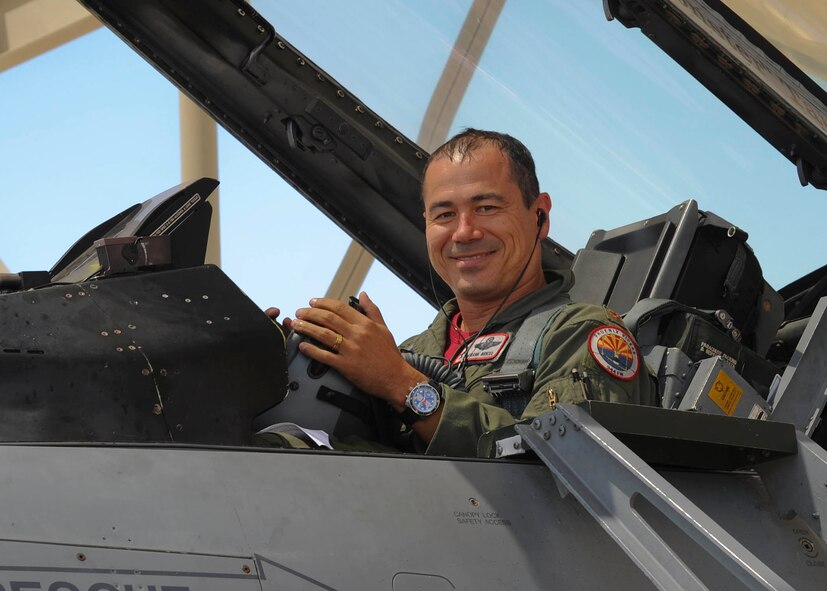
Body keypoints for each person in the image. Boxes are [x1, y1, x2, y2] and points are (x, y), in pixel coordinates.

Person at [267, 129, 657, 456]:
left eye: (486, 208)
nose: (464, 232)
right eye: (444, 215)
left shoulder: (583, 335)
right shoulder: (415, 349)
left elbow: (560, 465)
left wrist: (399, 384)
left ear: (539, 215)